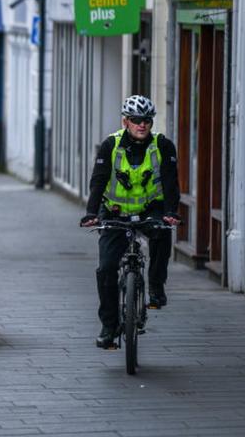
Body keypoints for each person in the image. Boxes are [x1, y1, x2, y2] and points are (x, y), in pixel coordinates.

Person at [80, 95, 180, 349]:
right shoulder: (110, 145)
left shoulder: (163, 146)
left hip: (151, 208)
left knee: (161, 233)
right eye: (136, 120)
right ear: (126, 121)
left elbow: (170, 182)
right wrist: (92, 213)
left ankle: (156, 287)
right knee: (106, 269)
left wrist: (170, 211)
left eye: (146, 120)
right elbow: (98, 181)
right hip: (115, 211)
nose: (142, 125)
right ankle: (109, 327)